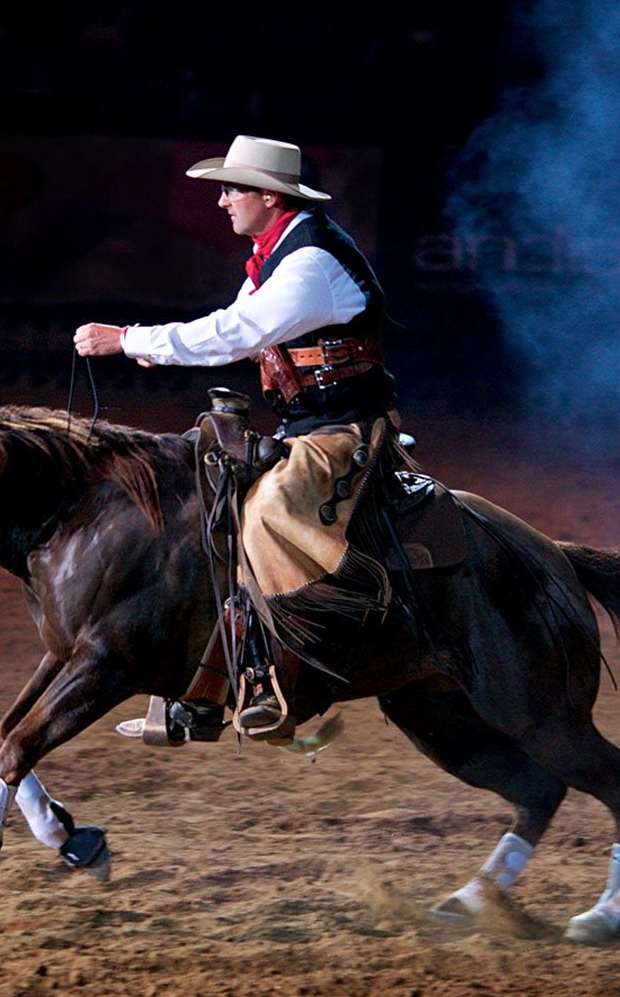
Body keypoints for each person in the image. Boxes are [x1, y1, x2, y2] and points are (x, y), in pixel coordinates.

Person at [74, 134, 403, 733]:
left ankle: (298, 671)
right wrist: (157, 350)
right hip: (307, 426)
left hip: (343, 431)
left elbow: (237, 332)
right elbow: (234, 329)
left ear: (269, 197)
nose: (221, 201)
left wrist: (131, 339)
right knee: (206, 501)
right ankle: (204, 681)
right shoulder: (275, 255)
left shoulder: (309, 262)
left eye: (230, 189)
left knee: (269, 514)